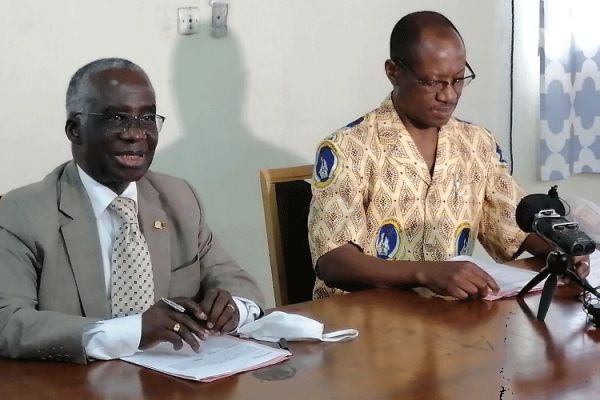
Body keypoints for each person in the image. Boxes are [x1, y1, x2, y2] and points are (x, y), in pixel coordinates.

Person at [308, 11, 590, 300]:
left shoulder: (478, 143)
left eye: (457, 80)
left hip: (446, 318)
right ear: (394, 71)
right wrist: (426, 273)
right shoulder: (348, 147)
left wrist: (562, 249)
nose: (449, 95)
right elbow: (333, 261)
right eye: (432, 83)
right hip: (362, 323)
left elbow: (516, 227)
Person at [0, 58, 264, 363]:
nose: (136, 134)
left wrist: (234, 308)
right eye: (116, 118)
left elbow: (236, 281)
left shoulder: (180, 198)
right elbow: (8, 322)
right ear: (75, 130)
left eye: (147, 118)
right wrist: (131, 331)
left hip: (177, 381)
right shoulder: (23, 213)